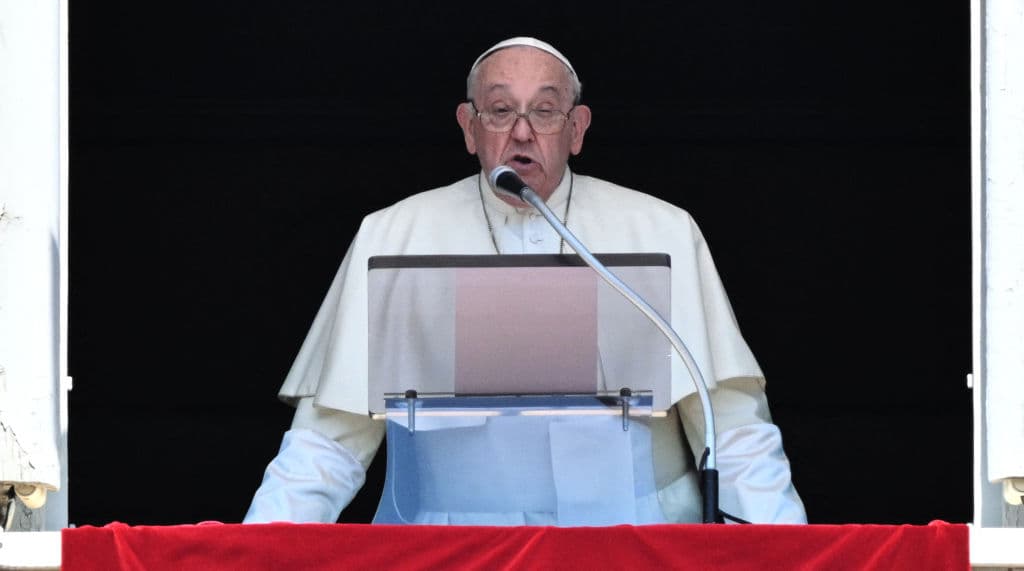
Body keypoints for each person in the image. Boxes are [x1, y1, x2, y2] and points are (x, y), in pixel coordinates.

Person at [244, 37, 806, 525]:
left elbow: (731, 433)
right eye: (499, 111)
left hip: (634, 538)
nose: (521, 133)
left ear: (576, 128)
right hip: (455, 545)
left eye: (544, 111)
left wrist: (792, 554)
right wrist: (249, 554)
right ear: (469, 127)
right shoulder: (393, 236)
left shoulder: (661, 230)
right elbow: (327, 445)